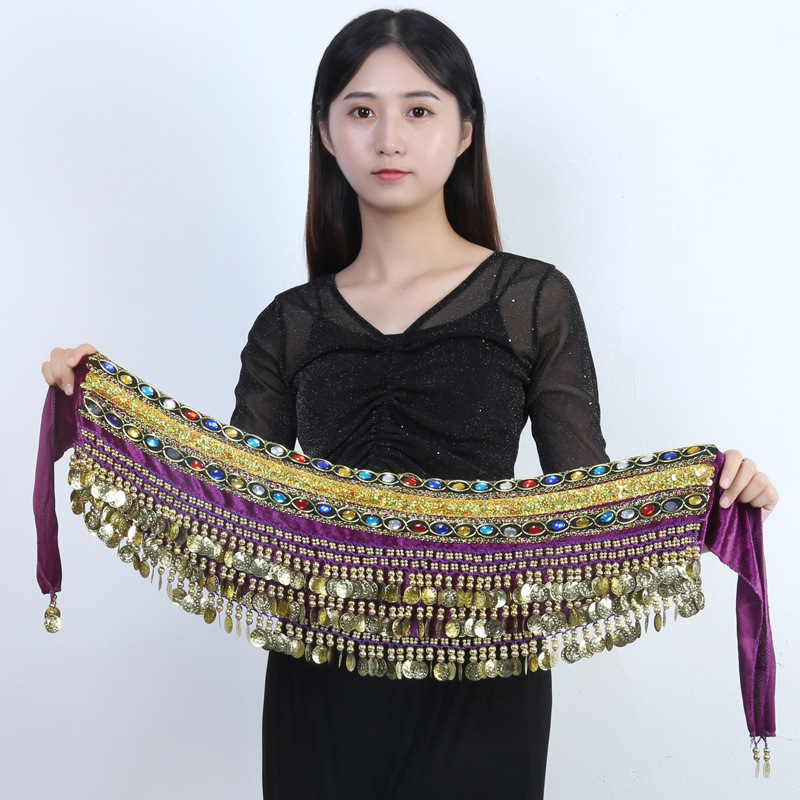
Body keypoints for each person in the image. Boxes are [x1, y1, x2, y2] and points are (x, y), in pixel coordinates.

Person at [41, 8, 779, 799]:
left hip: (487, 674)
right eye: (362, 111)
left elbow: (584, 497)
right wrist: (101, 404)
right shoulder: (290, 322)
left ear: (465, 131)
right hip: (317, 677)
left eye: (419, 110)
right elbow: (234, 499)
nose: (389, 138)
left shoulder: (532, 298)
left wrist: (712, 492)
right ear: (327, 133)